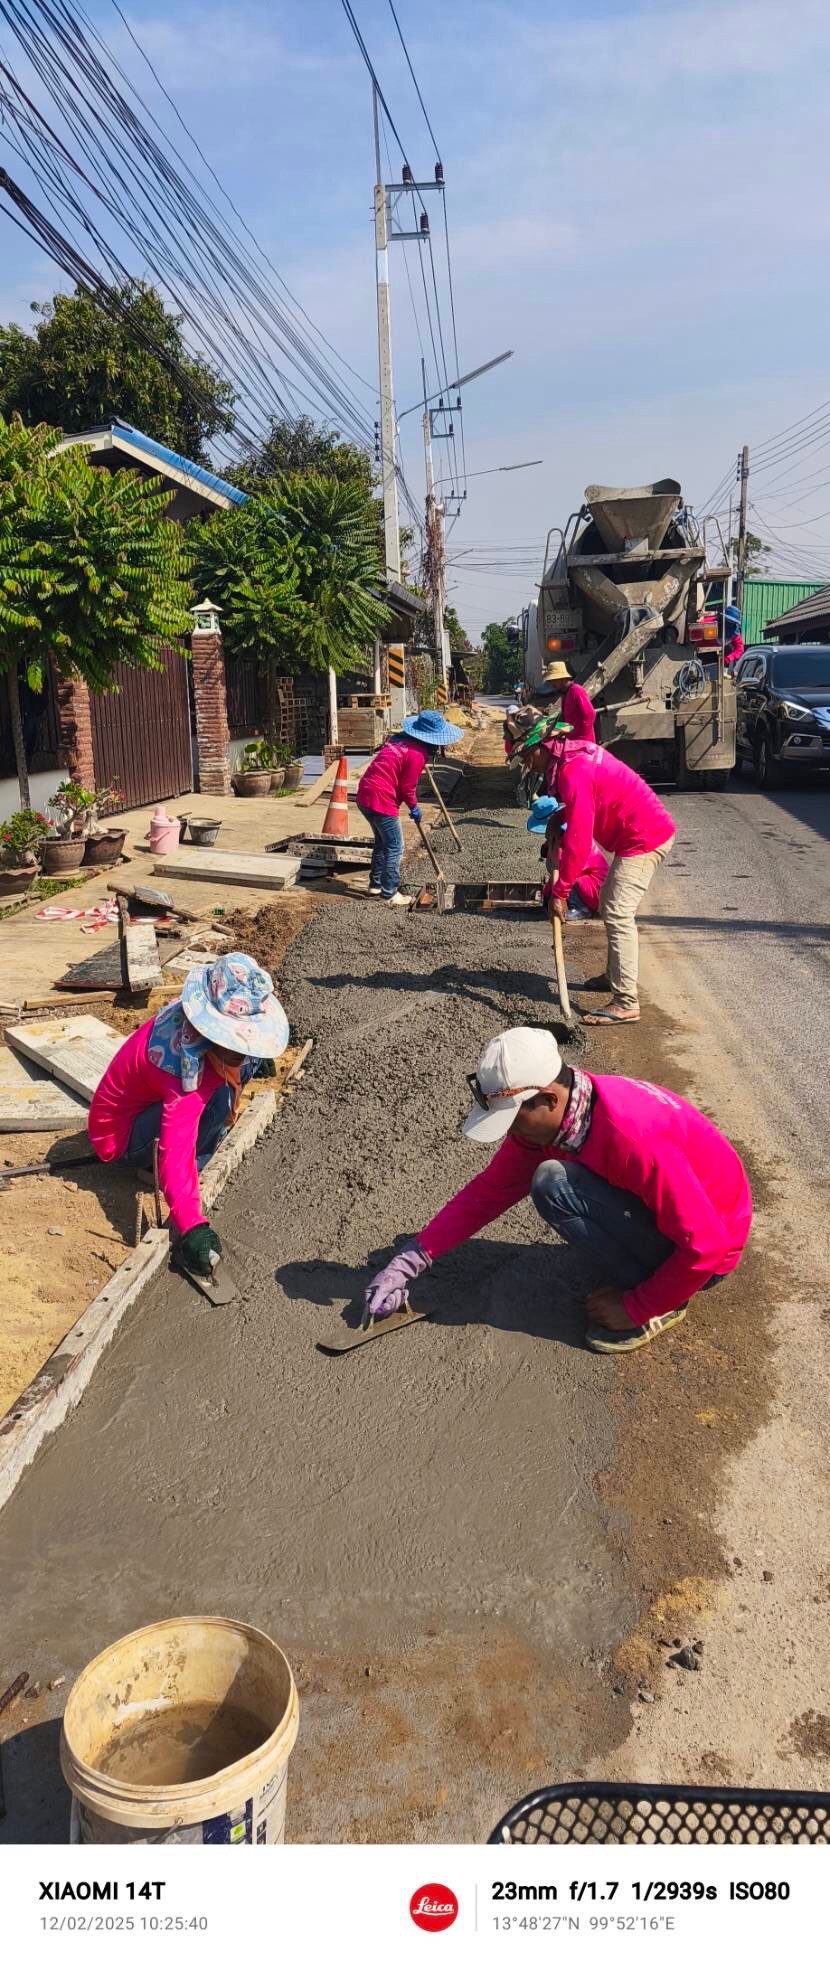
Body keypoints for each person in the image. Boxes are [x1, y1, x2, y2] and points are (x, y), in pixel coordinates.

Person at [363, 1027, 752, 1356]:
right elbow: (490, 1191)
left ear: (548, 1098)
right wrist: (409, 1261)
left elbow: (708, 1246)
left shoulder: (632, 1137)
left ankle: (670, 1300)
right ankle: (649, 1268)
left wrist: (638, 1306)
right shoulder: (569, 1114)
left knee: (555, 1183)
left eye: (514, 1118)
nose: (511, 1132)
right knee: (553, 1180)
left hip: (707, 1253)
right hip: (682, 1220)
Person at [88, 953, 289, 1281]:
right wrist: (191, 1224)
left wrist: (253, 1059)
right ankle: (186, 1163)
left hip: (144, 1110)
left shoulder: (191, 1028)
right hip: (121, 1136)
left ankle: (207, 1137)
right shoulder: (184, 1076)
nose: (240, 1049)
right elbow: (175, 1151)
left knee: (238, 1072)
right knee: (217, 1100)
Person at [521, 733, 675, 1026]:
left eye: (528, 755)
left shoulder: (572, 771)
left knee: (618, 911)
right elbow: (589, 799)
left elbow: (578, 842)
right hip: (636, 833)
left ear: (543, 746)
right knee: (608, 903)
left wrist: (561, 892)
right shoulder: (573, 756)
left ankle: (626, 1002)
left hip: (645, 837)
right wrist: (560, 814)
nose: (528, 764)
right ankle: (614, 974)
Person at [356, 708, 464, 906]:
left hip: (365, 794)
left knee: (382, 842)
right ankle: (389, 893)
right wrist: (414, 807)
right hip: (381, 798)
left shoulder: (398, 742)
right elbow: (407, 787)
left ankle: (376, 885)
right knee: (396, 846)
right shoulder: (416, 754)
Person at [527, 794, 608, 918]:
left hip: (596, 887)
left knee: (566, 880)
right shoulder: (561, 837)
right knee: (549, 891)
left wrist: (557, 898)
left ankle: (580, 908)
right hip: (588, 881)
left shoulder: (568, 840)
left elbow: (561, 872)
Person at [531, 659, 596, 740]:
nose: (551, 684)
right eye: (550, 681)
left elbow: (590, 715)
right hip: (572, 740)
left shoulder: (576, 690)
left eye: (554, 680)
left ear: (562, 679)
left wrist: (576, 733)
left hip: (583, 741)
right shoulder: (565, 694)